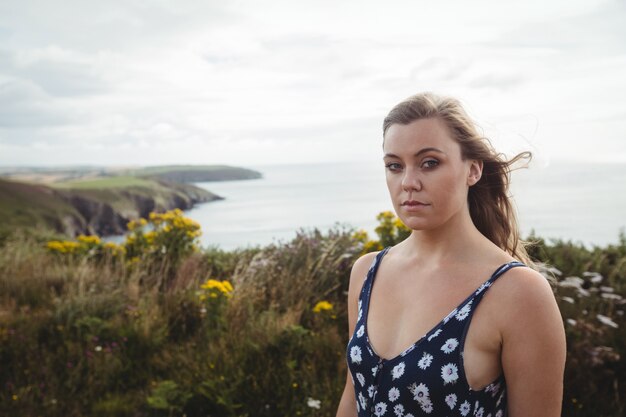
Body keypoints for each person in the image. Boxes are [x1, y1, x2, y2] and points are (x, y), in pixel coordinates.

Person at [335, 93, 566, 417]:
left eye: (429, 163)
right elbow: (353, 398)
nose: (408, 182)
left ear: (472, 170)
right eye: (394, 166)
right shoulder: (367, 272)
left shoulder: (518, 293)